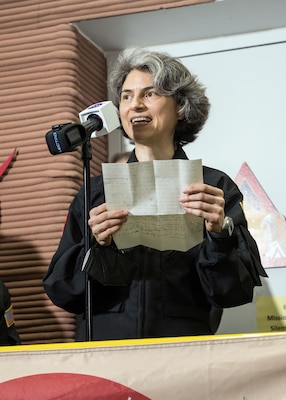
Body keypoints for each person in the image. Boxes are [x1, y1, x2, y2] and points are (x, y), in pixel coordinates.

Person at [43, 47, 267, 341]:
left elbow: (231, 293)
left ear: (181, 108)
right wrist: (98, 246)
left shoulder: (213, 187)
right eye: (126, 96)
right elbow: (63, 292)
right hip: (107, 357)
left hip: (184, 354)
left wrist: (219, 233)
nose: (135, 105)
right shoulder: (94, 192)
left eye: (149, 94)